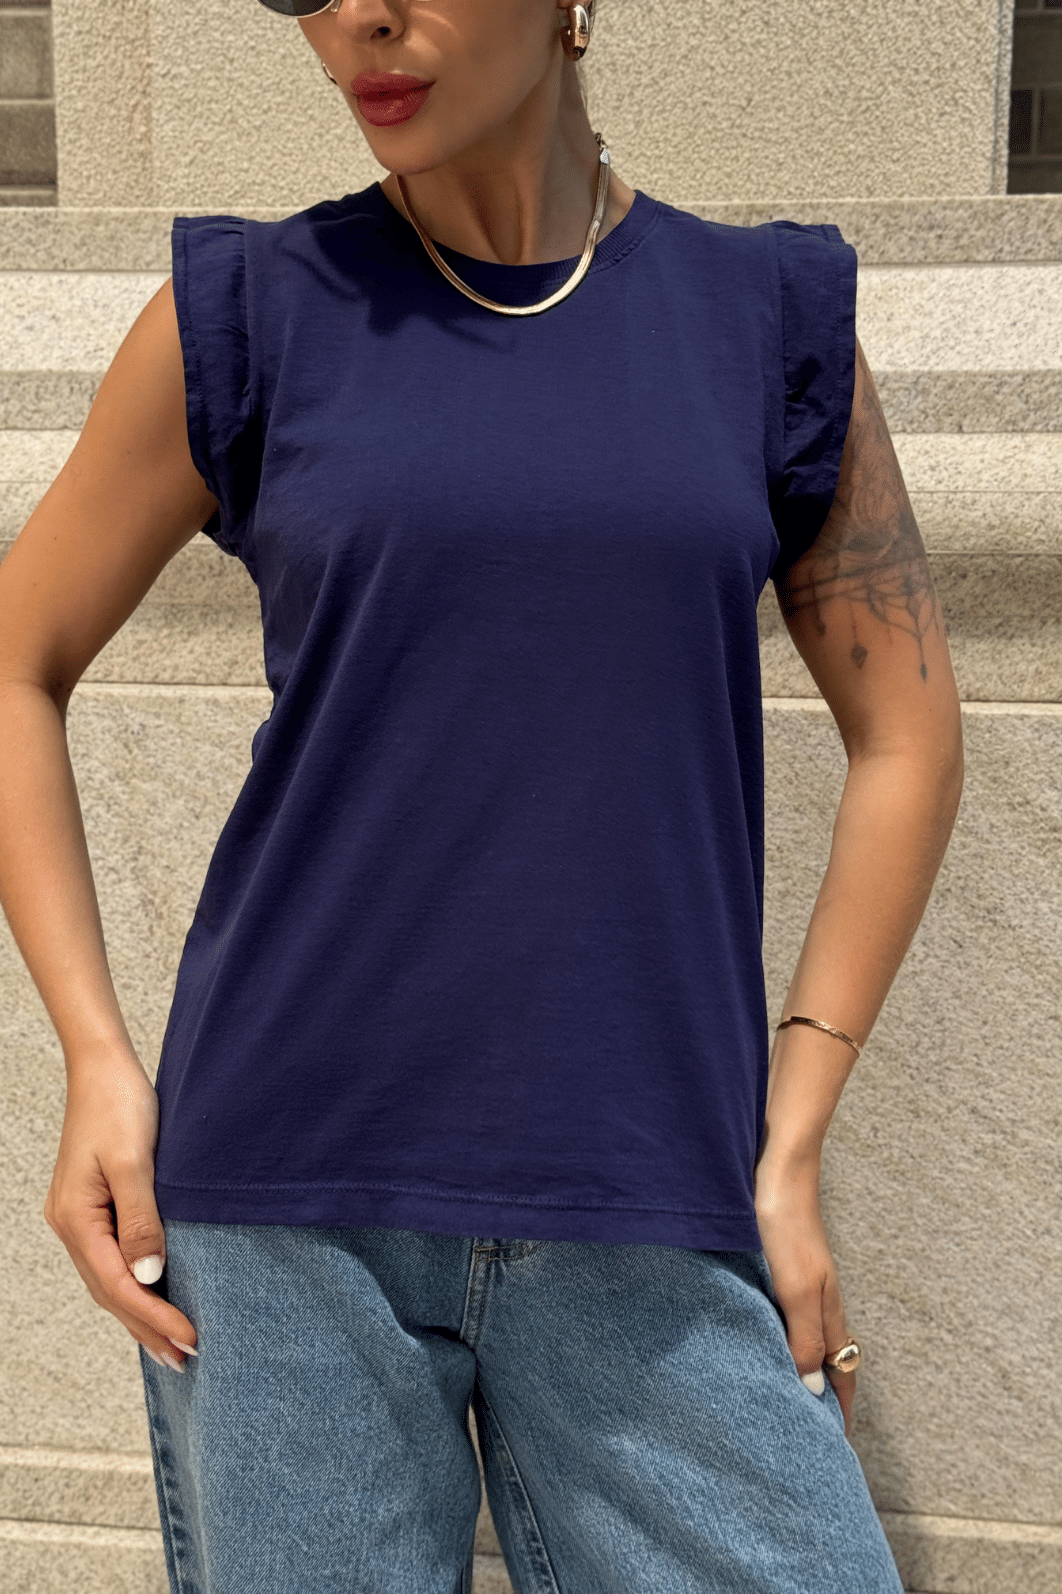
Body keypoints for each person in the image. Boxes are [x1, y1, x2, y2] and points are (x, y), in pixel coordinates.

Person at [0, 1, 964, 1590]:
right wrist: (94, 1061)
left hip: (646, 1176)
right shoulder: (246, 313)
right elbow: (18, 658)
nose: (362, 17)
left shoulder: (766, 320)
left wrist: (788, 1138)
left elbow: (908, 734)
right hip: (281, 1188)